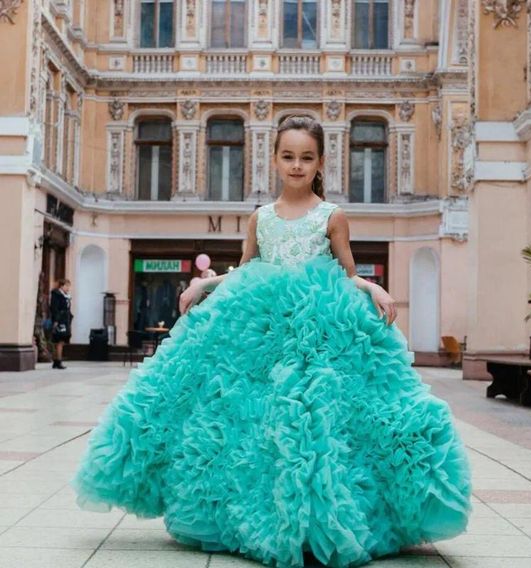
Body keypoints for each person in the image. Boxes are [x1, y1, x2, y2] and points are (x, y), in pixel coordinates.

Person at [72, 116, 472, 567]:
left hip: (318, 329)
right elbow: (247, 269)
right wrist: (207, 285)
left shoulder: (331, 216)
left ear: (320, 161)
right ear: (275, 160)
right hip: (259, 330)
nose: (296, 165)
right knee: (250, 422)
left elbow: (347, 272)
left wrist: (373, 287)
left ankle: (320, 521)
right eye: (288, 156)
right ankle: (256, 515)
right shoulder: (260, 217)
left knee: (318, 423)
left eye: (306, 157)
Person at [49, 278, 73, 370]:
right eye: (66, 286)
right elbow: (54, 308)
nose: (68, 288)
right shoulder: (57, 295)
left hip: (65, 320)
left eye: (68, 286)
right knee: (59, 340)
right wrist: (56, 320)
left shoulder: (66, 296)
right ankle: (58, 361)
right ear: (61, 286)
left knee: (61, 341)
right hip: (60, 320)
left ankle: (56, 361)